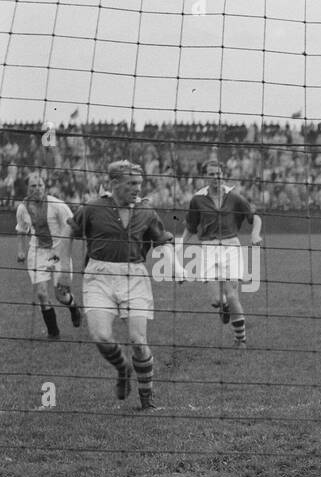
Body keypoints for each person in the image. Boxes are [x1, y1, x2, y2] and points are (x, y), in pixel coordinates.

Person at [69, 161, 173, 411]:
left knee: (138, 341)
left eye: (139, 183)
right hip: (98, 275)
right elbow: (69, 234)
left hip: (134, 276)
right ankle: (122, 368)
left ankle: (147, 399)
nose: (137, 189)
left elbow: (163, 240)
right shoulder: (93, 207)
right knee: (101, 336)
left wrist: (176, 267)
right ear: (115, 184)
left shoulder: (146, 211)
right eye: (131, 184)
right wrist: (63, 270)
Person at [181, 160, 262, 348]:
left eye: (218, 174)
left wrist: (255, 233)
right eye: (211, 174)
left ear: (222, 175)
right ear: (204, 177)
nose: (215, 177)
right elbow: (191, 226)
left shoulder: (234, 197)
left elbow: (254, 217)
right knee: (216, 300)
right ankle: (223, 306)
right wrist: (179, 246)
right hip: (208, 248)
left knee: (233, 296)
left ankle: (240, 339)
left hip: (231, 247)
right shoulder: (197, 199)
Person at [14, 173, 80, 339]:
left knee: (61, 296)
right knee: (42, 294)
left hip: (58, 252)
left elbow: (72, 227)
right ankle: (53, 332)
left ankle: (73, 306)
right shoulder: (23, 207)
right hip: (37, 253)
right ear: (27, 189)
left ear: (45, 187)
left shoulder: (57, 205)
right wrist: (20, 250)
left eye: (40, 185)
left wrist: (65, 253)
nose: (37, 189)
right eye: (33, 186)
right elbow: (21, 230)